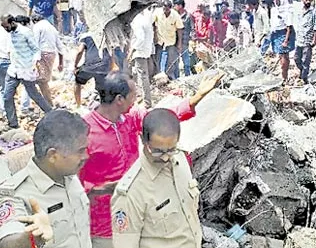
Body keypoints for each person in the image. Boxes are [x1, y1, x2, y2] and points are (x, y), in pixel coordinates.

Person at [78, 72, 222, 248]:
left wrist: (198, 97)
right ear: (119, 99)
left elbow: (162, 120)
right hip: (105, 225)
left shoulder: (131, 118)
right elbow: (72, 182)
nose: (136, 99)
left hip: (144, 214)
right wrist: (103, 190)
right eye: (134, 95)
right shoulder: (84, 133)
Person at [0, 109, 91, 248]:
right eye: (80, 151)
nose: (86, 156)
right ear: (53, 155)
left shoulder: (68, 174)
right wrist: (30, 239)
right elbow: (7, 242)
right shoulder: (16, 195)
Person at [111, 109, 202, 248]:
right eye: (158, 151)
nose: (166, 157)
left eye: (171, 149)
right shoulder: (131, 193)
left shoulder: (180, 158)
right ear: (143, 139)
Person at [2, 15, 52, 129]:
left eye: (6, 27)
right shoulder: (10, 34)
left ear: (12, 22)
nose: (6, 29)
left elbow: (36, 50)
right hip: (13, 70)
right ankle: (13, 124)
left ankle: (51, 113)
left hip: (26, 70)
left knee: (34, 95)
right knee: (7, 97)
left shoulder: (25, 32)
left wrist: (34, 64)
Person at [32, 13, 64, 104]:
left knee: (42, 81)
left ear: (34, 21)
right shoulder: (52, 27)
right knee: (42, 79)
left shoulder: (37, 26)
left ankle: (48, 104)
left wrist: (34, 60)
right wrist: (61, 63)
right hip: (51, 54)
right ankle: (45, 102)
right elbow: (60, 46)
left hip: (42, 54)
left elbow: (35, 43)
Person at [73, 30, 112, 106]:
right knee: (102, 88)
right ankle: (103, 107)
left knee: (77, 81)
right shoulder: (104, 34)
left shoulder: (85, 36)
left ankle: (78, 105)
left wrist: (75, 66)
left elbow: (79, 52)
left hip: (89, 66)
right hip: (104, 65)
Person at [129, 7, 155, 107]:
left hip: (140, 52)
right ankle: (140, 96)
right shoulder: (144, 19)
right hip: (145, 50)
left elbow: (140, 38)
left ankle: (147, 102)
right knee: (137, 73)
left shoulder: (137, 21)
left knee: (143, 76)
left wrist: (132, 50)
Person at [153, 0, 184, 81]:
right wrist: (155, 35)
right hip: (160, 40)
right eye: (164, 9)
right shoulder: (157, 12)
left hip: (170, 40)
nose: (165, 11)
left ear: (170, 9)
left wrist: (179, 43)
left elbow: (179, 29)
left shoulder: (175, 15)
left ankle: (169, 76)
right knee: (158, 58)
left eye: (166, 9)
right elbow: (153, 23)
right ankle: (159, 76)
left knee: (170, 59)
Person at [269, 0, 295, 84]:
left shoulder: (288, 11)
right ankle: (283, 77)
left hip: (284, 34)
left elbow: (289, 27)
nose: (275, 1)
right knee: (281, 56)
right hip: (275, 34)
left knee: (284, 57)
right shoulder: (274, 10)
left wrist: (286, 41)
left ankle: (284, 77)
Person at [294, 0, 316, 84]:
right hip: (299, 39)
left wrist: (314, 39)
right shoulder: (299, 11)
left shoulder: (314, 12)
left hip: (308, 40)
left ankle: (304, 78)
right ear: (302, 0)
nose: (308, 1)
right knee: (296, 58)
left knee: (306, 60)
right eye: (306, 0)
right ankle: (302, 71)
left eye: (310, 0)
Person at [173, 0, 194, 77]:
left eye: (175, 5)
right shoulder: (174, 15)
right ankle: (176, 76)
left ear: (180, 5)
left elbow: (192, 28)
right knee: (176, 60)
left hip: (185, 40)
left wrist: (192, 38)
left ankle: (187, 75)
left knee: (186, 59)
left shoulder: (188, 16)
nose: (174, 7)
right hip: (175, 41)